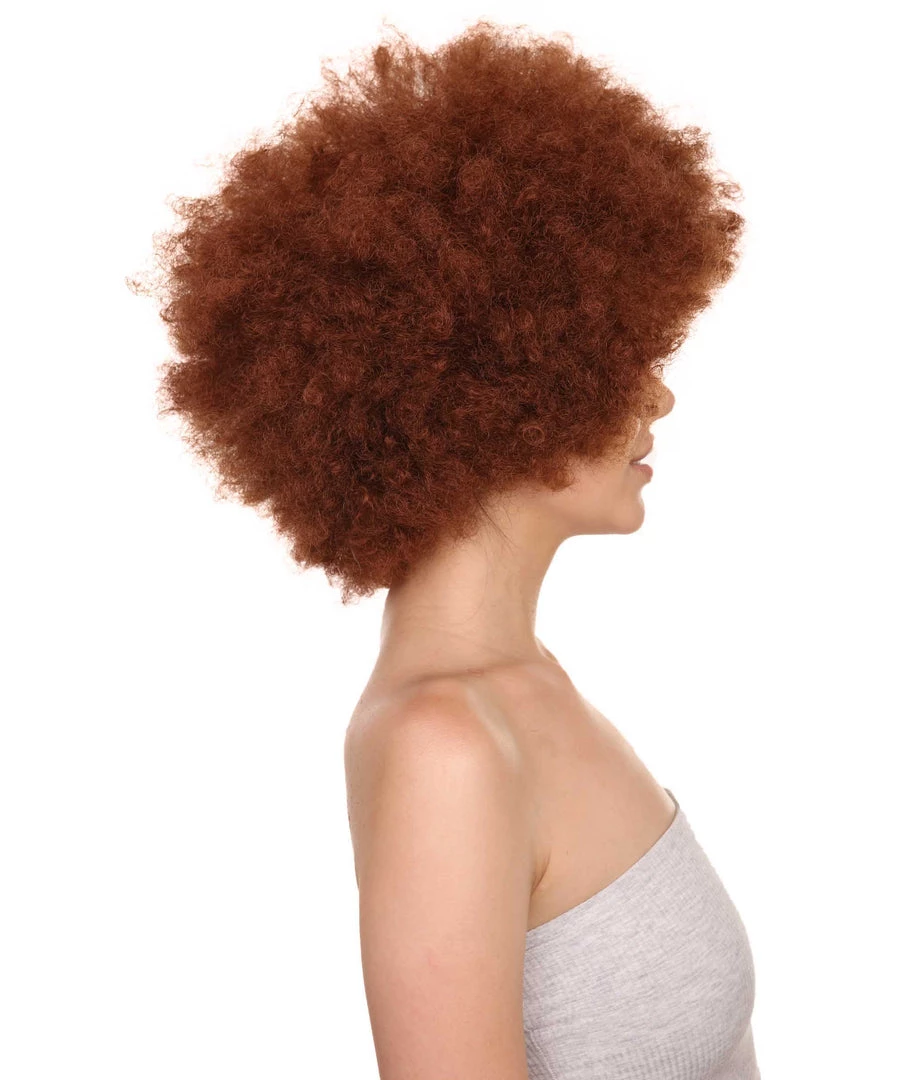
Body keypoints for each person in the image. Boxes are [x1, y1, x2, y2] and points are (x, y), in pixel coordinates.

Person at [130, 18, 758, 1078]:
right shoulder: (445, 746)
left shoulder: (527, 686)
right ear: (507, 385)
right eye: (619, 360)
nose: (658, 399)